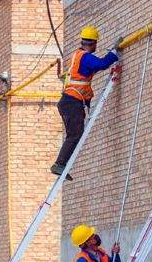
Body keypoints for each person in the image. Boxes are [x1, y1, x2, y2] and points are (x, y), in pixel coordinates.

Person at [52, 25, 121, 180]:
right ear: (93, 43)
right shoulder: (86, 57)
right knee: (74, 134)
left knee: (74, 134)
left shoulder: (79, 56)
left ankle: (61, 164)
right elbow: (102, 64)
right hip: (72, 102)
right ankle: (60, 164)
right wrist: (114, 53)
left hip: (69, 102)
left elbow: (91, 70)